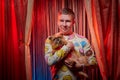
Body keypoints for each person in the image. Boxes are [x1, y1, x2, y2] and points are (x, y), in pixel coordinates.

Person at [44, 8, 97, 80]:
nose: (64, 24)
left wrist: (80, 66)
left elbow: (94, 63)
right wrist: (67, 48)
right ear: (57, 22)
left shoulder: (83, 40)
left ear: (73, 22)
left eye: (68, 21)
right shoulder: (51, 39)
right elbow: (50, 61)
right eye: (61, 21)